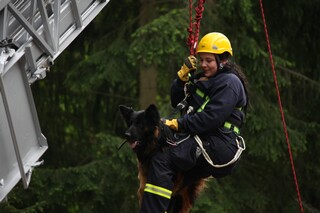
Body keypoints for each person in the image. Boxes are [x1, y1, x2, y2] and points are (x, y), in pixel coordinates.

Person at [140, 32, 249, 212]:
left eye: (208, 60)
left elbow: (211, 118)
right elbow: (177, 101)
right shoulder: (204, 79)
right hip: (209, 141)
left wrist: (179, 124)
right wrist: (181, 79)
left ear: (222, 60)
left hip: (219, 144)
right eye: (201, 60)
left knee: (162, 160)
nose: (204, 65)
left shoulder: (229, 83)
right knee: (178, 178)